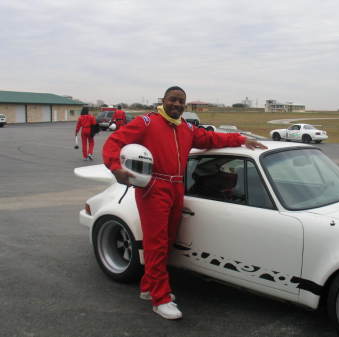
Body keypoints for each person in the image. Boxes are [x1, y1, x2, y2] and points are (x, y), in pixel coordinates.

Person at [102, 86, 267, 320]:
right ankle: (161, 299)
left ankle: (148, 286)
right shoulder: (147, 122)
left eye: (181, 101)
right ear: (164, 100)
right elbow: (115, 141)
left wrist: (241, 140)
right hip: (153, 188)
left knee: (167, 241)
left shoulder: (187, 128)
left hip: (177, 187)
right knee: (156, 243)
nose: (177, 104)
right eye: (173, 100)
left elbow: (212, 138)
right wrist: (115, 167)